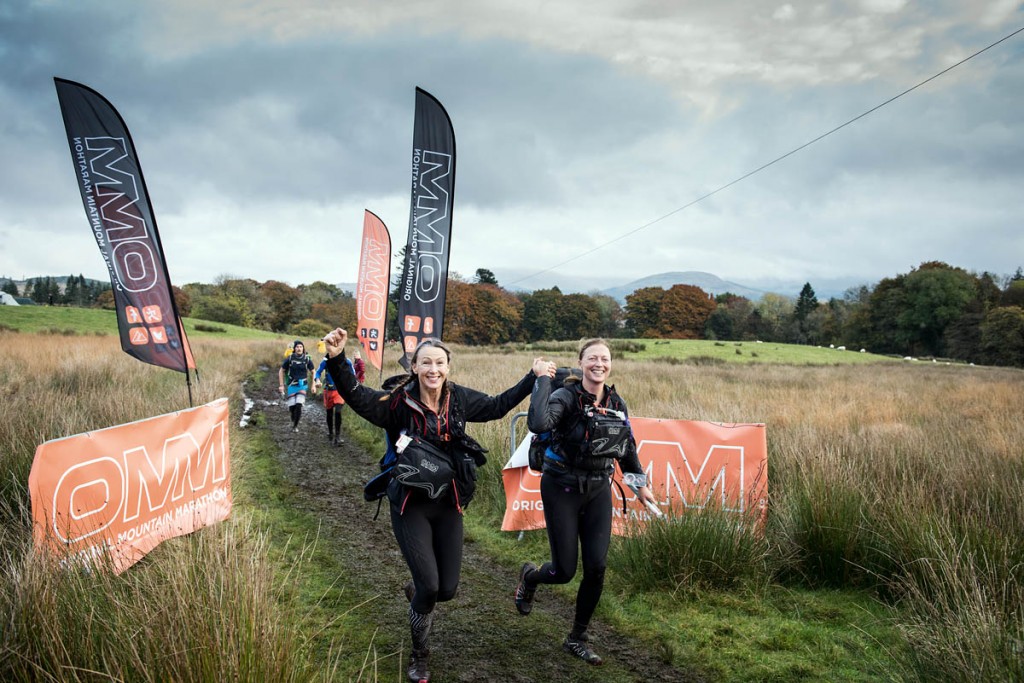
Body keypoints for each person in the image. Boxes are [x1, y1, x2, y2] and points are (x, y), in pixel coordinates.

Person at [322, 328, 553, 683]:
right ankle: (420, 655)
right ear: (414, 367)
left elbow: (495, 406)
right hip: (410, 505)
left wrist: (532, 378)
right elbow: (357, 397)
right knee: (431, 586)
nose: (434, 369)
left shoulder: (458, 399)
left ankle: (418, 594)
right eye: (426, 362)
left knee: (446, 590)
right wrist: (336, 359)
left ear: (448, 367)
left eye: (440, 362)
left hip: (449, 504)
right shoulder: (398, 403)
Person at [513, 338, 657, 666]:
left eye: (604, 359)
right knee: (564, 571)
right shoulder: (565, 396)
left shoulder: (616, 402)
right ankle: (530, 577)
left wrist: (640, 485)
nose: (599, 364)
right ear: (581, 362)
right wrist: (542, 382)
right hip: (561, 486)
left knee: (596, 568)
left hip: (597, 490)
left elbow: (627, 446)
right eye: (592, 358)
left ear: (611, 364)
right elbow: (538, 423)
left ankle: (577, 637)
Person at [314, 348, 365, 445]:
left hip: (340, 391)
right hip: (328, 390)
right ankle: (330, 433)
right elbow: (318, 372)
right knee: (329, 413)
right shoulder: (326, 361)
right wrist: (317, 380)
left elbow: (353, 375)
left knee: (338, 411)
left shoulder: (347, 361)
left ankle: (338, 436)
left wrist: (352, 386)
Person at [279, 340, 315, 433]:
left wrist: (313, 385)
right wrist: (281, 385)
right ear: (294, 349)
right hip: (291, 385)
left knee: (299, 404)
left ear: (303, 348)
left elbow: (313, 371)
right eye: (297, 347)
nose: (299, 348)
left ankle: (295, 426)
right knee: (292, 408)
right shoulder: (290, 359)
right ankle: (293, 420)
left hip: (302, 385)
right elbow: (281, 371)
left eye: (301, 347)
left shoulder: (307, 359)